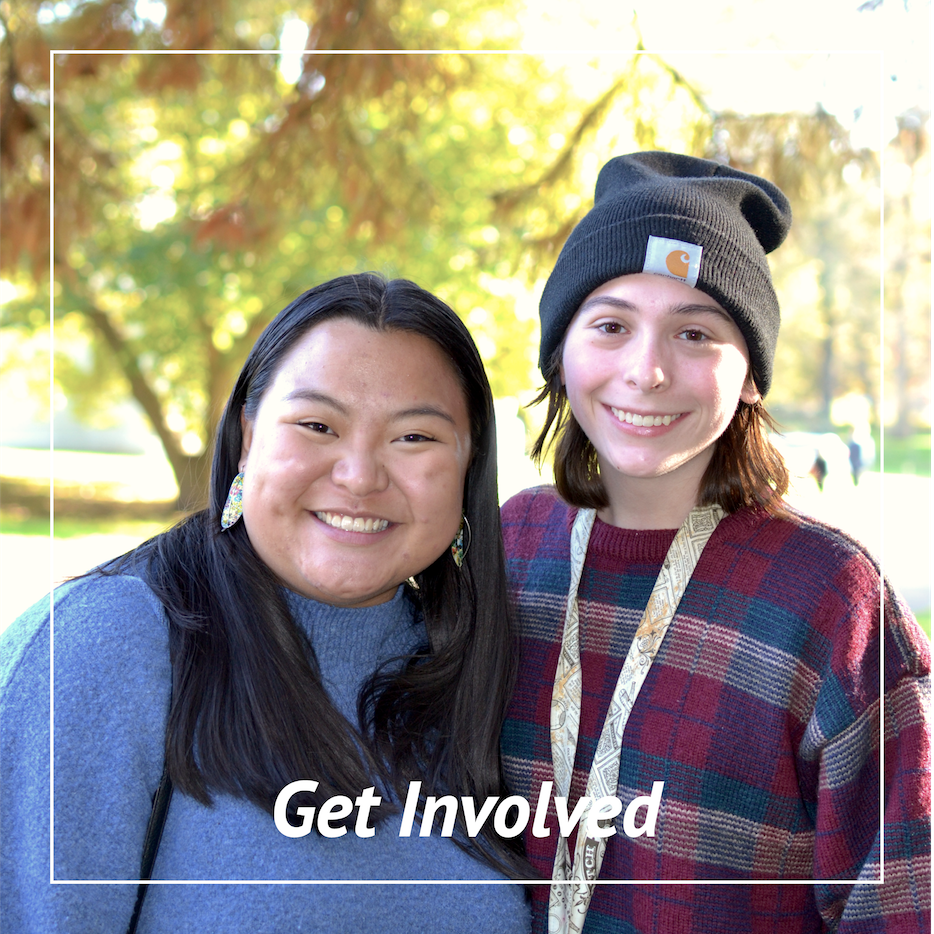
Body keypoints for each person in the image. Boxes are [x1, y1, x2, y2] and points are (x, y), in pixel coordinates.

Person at [0, 274, 531, 933]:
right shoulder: (104, 644)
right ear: (248, 437)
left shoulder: (481, 673)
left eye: (414, 437)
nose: (359, 476)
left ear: (468, 463)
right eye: (317, 425)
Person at [499, 153, 931, 933]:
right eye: (611, 326)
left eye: (695, 333)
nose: (647, 371)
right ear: (560, 352)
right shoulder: (509, 546)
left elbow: (904, 896)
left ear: (752, 377)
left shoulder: (830, 597)